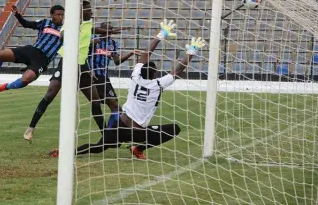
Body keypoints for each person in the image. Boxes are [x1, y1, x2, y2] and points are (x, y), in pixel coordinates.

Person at [49, 19, 206, 159]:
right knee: (173, 129)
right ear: (154, 73)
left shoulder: (136, 76)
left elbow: (146, 54)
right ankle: (138, 148)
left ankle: (64, 152)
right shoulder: (158, 84)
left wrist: (160, 35)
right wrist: (191, 52)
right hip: (136, 132)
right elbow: (178, 70)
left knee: (98, 147)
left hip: (120, 124)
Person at [23, 3, 128, 141]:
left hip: (82, 65)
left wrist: (113, 32)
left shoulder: (88, 25)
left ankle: (105, 135)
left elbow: (96, 30)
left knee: (95, 101)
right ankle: (30, 129)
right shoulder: (70, 23)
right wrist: (74, 27)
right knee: (49, 95)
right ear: (82, 12)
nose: (92, 13)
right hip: (66, 63)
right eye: (89, 10)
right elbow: (62, 37)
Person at [0, 4, 64, 93]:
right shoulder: (45, 23)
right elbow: (26, 24)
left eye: (62, 15)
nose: (60, 17)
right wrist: (17, 14)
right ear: (51, 15)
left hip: (43, 60)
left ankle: (6, 86)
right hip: (32, 51)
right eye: (57, 14)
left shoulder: (66, 29)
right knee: (0, 55)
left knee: (26, 79)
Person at [88, 22, 141, 129]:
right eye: (107, 29)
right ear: (101, 30)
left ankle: (108, 133)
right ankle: (110, 133)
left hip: (104, 76)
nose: (109, 32)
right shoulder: (94, 39)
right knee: (114, 106)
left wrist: (131, 53)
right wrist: (91, 43)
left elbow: (117, 61)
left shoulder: (112, 44)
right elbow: (83, 50)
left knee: (114, 106)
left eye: (111, 29)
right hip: (93, 75)